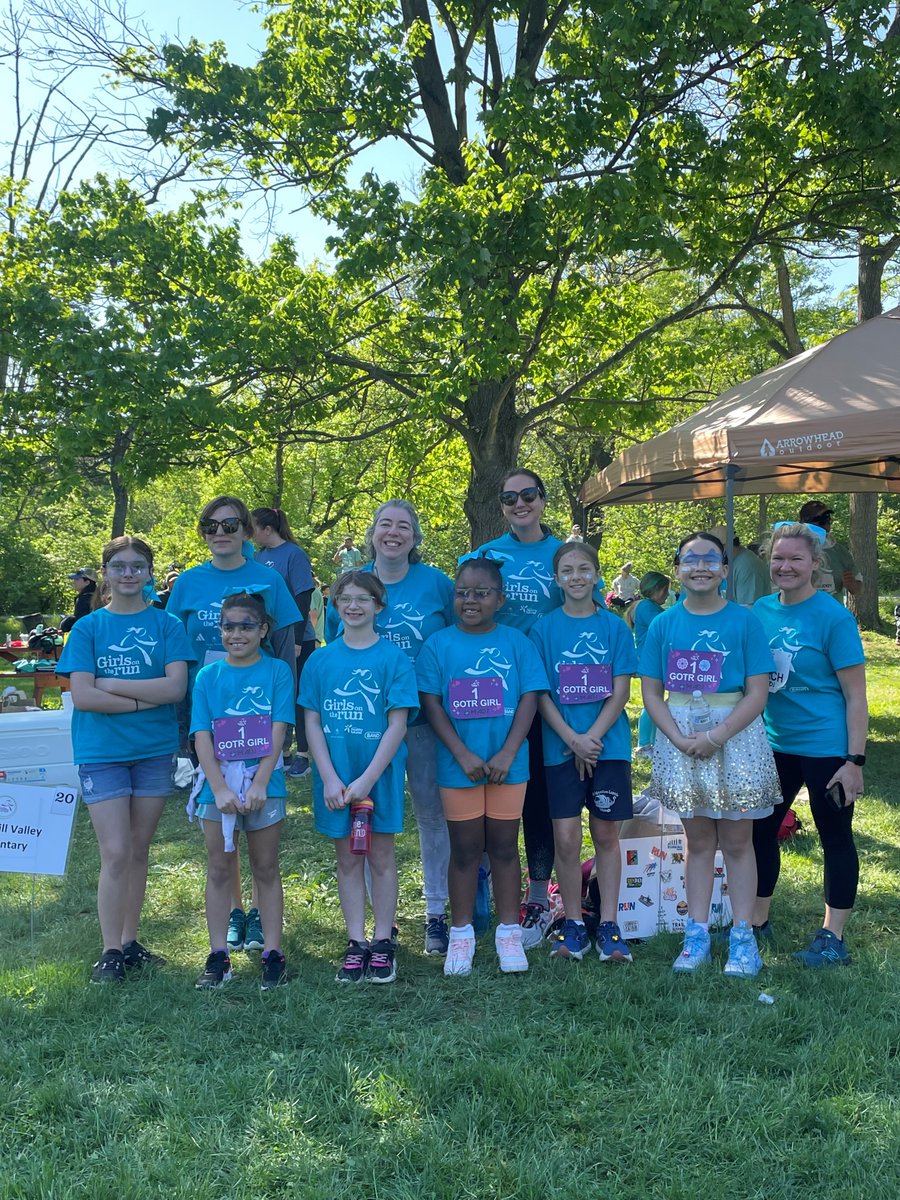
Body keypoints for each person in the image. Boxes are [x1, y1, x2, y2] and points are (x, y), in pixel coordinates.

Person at [467, 468, 602, 948]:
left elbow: (596, 622)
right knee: (490, 793)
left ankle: (539, 896)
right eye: (508, 497)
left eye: (528, 495)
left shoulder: (566, 557)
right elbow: (465, 612)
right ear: (500, 504)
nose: (519, 503)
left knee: (541, 799)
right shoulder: (483, 557)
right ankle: (479, 894)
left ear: (543, 500)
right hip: (492, 696)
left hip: (551, 699)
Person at [639, 532, 780, 977]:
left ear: (724, 569)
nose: (700, 566)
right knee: (698, 842)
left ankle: (742, 937)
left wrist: (717, 736)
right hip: (680, 741)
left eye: (710, 559)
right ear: (677, 568)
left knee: (738, 843)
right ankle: (695, 933)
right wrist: (679, 740)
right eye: (689, 559)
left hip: (735, 738)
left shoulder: (745, 621)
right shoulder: (663, 624)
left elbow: (757, 692)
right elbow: (651, 692)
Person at [167, 496, 302, 954]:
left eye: (230, 524)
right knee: (223, 826)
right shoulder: (187, 582)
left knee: (259, 830)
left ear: (246, 529)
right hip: (208, 701)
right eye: (210, 524)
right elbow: (175, 649)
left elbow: (285, 644)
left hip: (261, 704)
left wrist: (283, 710)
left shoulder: (269, 578)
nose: (220, 531)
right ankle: (236, 912)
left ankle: (263, 919)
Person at [56, 537, 193, 984]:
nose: (129, 573)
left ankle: (130, 942)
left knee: (137, 850)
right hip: (102, 753)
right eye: (120, 566)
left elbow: (174, 689)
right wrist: (139, 700)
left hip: (153, 751)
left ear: (150, 572)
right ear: (107, 573)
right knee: (114, 852)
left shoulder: (168, 625)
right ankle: (109, 950)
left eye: (138, 566)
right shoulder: (88, 628)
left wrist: (111, 683)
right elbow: (83, 696)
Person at [325, 499, 456, 953]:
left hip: (424, 719)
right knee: (364, 813)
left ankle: (436, 912)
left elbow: (458, 641)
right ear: (372, 533)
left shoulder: (437, 583)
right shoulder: (352, 585)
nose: (394, 533)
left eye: (404, 526)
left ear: (415, 537)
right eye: (385, 524)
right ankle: (372, 923)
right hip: (361, 727)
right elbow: (334, 652)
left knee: (430, 814)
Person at [417, 558, 549, 976]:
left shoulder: (516, 642)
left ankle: (509, 934)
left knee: (506, 848)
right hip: (460, 765)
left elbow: (530, 697)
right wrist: (461, 753)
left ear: (500, 599)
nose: (470, 600)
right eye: (462, 592)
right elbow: (431, 703)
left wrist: (509, 752)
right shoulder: (439, 644)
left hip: (509, 764)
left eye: (481, 592)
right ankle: (461, 936)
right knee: (466, 851)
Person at [751, 521, 868, 966]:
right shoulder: (759, 611)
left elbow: (856, 695)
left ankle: (832, 937)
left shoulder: (833, 617)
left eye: (796, 558)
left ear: (815, 564)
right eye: (779, 558)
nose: (786, 566)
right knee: (762, 830)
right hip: (775, 745)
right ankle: (758, 921)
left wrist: (854, 761)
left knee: (834, 836)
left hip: (827, 748)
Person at [300, 571, 418, 984]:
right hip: (335, 777)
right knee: (348, 859)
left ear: (378, 606)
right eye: (345, 599)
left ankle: (383, 941)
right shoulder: (320, 660)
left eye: (363, 599)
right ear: (334, 606)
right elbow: (311, 722)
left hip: (377, 775)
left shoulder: (394, 659)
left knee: (381, 857)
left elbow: (397, 724)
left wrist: (368, 779)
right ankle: (356, 942)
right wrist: (330, 778)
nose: (353, 606)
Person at [530, 542, 639, 962]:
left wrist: (591, 737)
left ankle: (609, 924)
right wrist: (573, 740)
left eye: (584, 569)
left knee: (607, 834)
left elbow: (621, 690)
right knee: (566, 837)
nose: (576, 577)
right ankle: (573, 923)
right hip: (559, 746)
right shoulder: (544, 630)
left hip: (608, 747)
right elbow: (540, 694)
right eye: (567, 571)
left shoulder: (614, 628)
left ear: (596, 574)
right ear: (557, 580)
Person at [190, 592, 295, 990]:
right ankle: (219, 955)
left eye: (246, 626)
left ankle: (272, 952)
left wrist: (263, 781)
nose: (236, 634)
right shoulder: (207, 676)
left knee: (265, 867)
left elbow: (279, 728)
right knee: (219, 869)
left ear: (263, 629)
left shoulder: (277, 672)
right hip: (217, 787)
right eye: (228, 626)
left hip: (264, 782)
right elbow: (201, 734)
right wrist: (217, 787)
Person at [251, 506, 315, 778]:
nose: (249, 534)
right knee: (274, 694)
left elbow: (303, 596)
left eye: (252, 528)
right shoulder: (257, 556)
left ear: (267, 529)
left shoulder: (293, 554)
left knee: (299, 694)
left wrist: (298, 638)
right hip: (269, 639)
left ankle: (303, 753)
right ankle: (282, 750)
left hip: (297, 637)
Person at [629, 571, 670, 755]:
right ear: (656, 589)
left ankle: (652, 741)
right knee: (653, 702)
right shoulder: (647, 607)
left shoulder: (648, 606)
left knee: (657, 701)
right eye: (665, 590)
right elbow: (665, 624)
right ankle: (644, 743)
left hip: (654, 660)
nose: (668, 595)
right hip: (650, 661)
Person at [797, 500, 862, 602]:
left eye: (827, 520)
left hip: (833, 615)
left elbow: (857, 588)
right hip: (800, 613)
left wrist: (852, 584)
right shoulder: (791, 549)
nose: (825, 525)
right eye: (819, 520)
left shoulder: (839, 551)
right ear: (803, 523)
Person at [60, 567, 98, 632]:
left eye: (77, 579)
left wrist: (67, 623)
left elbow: (81, 623)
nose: (74, 582)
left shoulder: (83, 599)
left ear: (87, 582)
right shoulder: (99, 597)